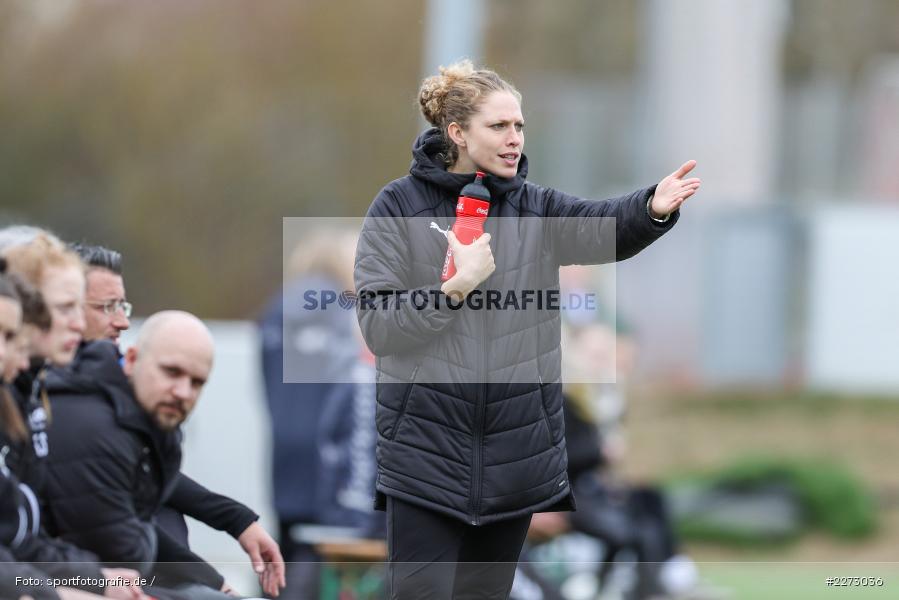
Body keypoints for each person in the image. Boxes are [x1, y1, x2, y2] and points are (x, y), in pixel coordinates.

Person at [354, 60, 701, 599]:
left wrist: (651, 208)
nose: (515, 138)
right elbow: (380, 327)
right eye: (499, 126)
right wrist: (455, 287)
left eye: (519, 126)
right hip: (424, 460)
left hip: (515, 465)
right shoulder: (395, 206)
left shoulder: (536, 206)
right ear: (457, 133)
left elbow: (601, 227)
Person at [72, 243, 285, 597]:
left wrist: (236, 519)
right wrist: (212, 584)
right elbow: (115, 512)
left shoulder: (101, 384)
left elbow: (149, 478)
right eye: (106, 307)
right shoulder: (64, 404)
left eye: (122, 306)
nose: (123, 321)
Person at [38, 311, 271, 599]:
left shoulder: (146, 425)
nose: (183, 392)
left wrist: (234, 525)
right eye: (171, 372)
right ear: (132, 360)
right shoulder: (97, 426)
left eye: (197, 382)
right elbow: (125, 555)